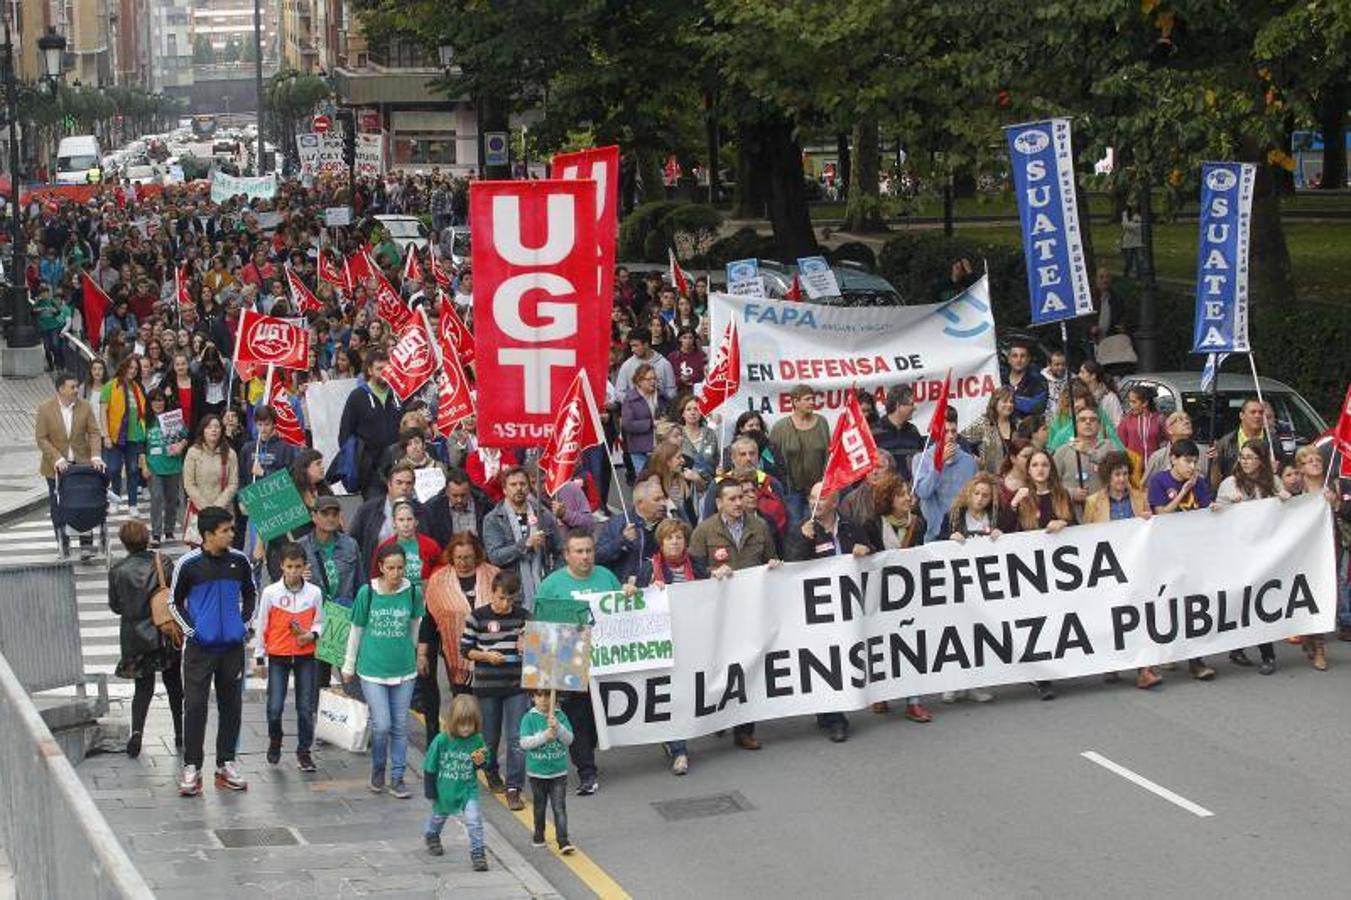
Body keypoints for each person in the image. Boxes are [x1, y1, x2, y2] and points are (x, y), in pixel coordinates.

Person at [534, 530, 638, 795]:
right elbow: (541, 629)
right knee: (577, 718)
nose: (585, 556)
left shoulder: (606, 576)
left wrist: (629, 593)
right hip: (570, 662)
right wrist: (543, 679)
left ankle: (586, 751)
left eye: (589, 551)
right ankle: (586, 771)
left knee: (595, 718)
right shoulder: (551, 585)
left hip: (604, 662)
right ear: (566, 555)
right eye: (578, 551)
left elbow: (624, 614)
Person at [688, 479, 782, 750]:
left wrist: (774, 565)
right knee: (720, 666)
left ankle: (744, 730)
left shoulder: (759, 526)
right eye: (731, 498)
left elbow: (770, 559)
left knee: (747, 667)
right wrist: (710, 573)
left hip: (750, 610)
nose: (738, 503)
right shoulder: (705, 531)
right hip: (718, 614)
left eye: (740, 497)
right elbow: (693, 568)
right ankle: (720, 716)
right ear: (718, 503)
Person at [171, 506, 256, 796]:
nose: (232, 535)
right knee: (194, 706)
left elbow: (250, 593)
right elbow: (175, 602)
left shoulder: (240, 561)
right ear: (208, 534)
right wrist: (194, 630)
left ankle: (226, 764)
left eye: (232, 529)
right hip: (199, 649)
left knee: (231, 705)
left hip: (231, 648)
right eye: (226, 531)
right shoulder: (189, 564)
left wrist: (242, 625)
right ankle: (192, 766)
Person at [788, 481, 873, 741]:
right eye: (812, 498)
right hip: (817, 608)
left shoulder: (851, 527)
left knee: (842, 657)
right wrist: (804, 541)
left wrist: (866, 550)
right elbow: (792, 568)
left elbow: (876, 554)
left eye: (822, 498)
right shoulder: (801, 530)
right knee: (825, 658)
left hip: (848, 606)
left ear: (835, 502)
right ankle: (835, 717)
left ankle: (829, 712)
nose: (816, 503)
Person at [342, 543, 425, 798]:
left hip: (404, 670)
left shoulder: (412, 592)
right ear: (380, 568)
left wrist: (416, 655)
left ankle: (398, 777)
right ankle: (379, 769)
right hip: (372, 670)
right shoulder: (367, 592)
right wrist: (348, 664)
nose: (396, 573)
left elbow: (415, 626)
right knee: (382, 725)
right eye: (390, 568)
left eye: (401, 568)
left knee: (400, 726)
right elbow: (356, 630)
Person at [108, 520, 182, 758]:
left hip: (134, 636)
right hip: (164, 631)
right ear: (146, 537)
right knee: (173, 684)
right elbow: (176, 593)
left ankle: (138, 731)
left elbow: (116, 606)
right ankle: (180, 732)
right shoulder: (163, 562)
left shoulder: (118, 570)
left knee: (143, 688)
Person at [1007, 450, 1076, 700]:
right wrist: (1014, 505)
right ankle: (1042, 677)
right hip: (1031, 571)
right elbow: (1005, 531)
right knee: (1037, 621)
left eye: (1044, 464)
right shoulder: (1022, 496)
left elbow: (1079, 530)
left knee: (1058, 619)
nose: (1039, 469)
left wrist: (1064, 524)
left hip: (1058, 570)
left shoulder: (1061, 495)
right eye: (1034, 465)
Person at [1147, 439, 1218, 681]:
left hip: (1193, 552)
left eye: (1194, 462)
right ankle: (1167, 650)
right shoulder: (1159, 481)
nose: (1191, 466)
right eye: (1187, 461)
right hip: (1167, 552)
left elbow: (1206, 509)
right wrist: (1184, 492)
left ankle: (1196, 660)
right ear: (1173, 459)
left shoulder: (1199, 482)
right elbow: (1162, 514)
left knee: (1192, 604)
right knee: (1169, 603)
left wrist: (1216, 508)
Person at [1210, 440, 1282, 675]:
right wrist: (1226, 506)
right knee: (1242, 600)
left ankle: (1267, 655)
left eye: (1251, 457)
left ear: (1261, 460)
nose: (1245, 461)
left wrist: (1284, 497)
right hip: (1237, 552)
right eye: (1242, 457)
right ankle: (1238, 648)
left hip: (1263, 552)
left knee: (1261, 602)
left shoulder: (1273, 482)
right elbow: (1216, 515)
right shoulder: (1229, 484)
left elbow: (1286, 514)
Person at [461, 570, 531, 811]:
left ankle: (514, 787)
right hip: (487, 685)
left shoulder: (524, 617)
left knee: (516, 739)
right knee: (489, 738)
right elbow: (466, 649)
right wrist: (486, 656)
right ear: (492, 593)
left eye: (510, 600)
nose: (505, 605)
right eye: (501, 598)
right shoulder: (477, 617)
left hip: (516, 686)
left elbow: (538, 646)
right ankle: (491, 772)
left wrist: (528, 643)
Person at [642, 518, 705, 774]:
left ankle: (674, 740)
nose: (675, 542)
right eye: (669, 538)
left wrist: (722, 575)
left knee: (688, 695)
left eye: (679, 537)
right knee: (672, 696)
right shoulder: (649, 569)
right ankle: (679, 750)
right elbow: (631, 594)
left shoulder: (697, 566)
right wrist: (646, 591)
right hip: (663, 644)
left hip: (693, 641)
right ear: (661, 542)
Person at [419, 534, 497, 740]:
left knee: (489, 709)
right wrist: (422, 654)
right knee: (464, 707)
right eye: (459, 557)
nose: (463, 562)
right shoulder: (439, 581)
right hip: (458, 659)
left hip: (493, 654)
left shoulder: (493, 575)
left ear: (477, 555)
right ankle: (465, 748)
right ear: (451, 556)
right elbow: (429, 620)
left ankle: (487, 755)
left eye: (469, 557)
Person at [256, 543, 324, 772]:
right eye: (289, 567)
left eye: (298, 566)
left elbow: (320, 622)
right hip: (278, 656)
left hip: (305, 656)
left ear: (305, 566)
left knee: (305, 708)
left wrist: (311, 634)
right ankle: (275, 739)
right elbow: (262, 625)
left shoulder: (314, 593)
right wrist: (259, 657)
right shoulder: (270, 593)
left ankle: (304, 751)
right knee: (274, 707)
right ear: (281, 567)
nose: (294, 571)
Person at [35, 371, 106, 559]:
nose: (76, 390)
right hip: (55, 467)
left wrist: (96, 456)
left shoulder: (85, 406)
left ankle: (86, 545)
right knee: (58, 505)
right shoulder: (45, 409)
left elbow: (94, 432)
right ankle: (63, 541)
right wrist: (57, 458)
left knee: (85, 503)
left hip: (81, 464)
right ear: (61, 389)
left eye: (77, 387)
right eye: (72, 387)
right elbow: (41, 438)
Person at [299, 497, 361, 698]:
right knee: (317, 682)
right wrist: (297, 578)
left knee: (351, 681)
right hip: (315, 622)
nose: (331, 518)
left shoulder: (350, 546)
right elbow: (286, 588)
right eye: (325, 514)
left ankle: (353, 727)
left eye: (335, 514)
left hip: (344, 620)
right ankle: (317, 722)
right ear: (314, 516)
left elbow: (360, 584)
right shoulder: (301, 548)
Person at [422, 694, 490, 871]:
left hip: (468, 788)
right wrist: (430, 790)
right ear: (452, 721)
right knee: (439, 816)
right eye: (462, 724)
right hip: (445, 788)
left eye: (470, 724)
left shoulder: (477, 740)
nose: (466, 729)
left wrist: (481, 761)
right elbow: (430, 765)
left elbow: (484, 762)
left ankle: (477, 853)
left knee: (474, 820)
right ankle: (432, 834)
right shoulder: (442, 740)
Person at [482, 466, 562, 611]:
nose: (519, 488)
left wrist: (553, 576)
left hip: (545, 588)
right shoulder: (493, 519)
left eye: (523, 484)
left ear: (529, 487)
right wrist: (524, 544)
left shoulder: (543, 514)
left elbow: (560, 550)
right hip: (513, 594)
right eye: (513, 485)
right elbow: (495, 557)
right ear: (505, 490)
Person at [338, 350, 404, 498]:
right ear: (369, 370)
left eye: (387, 369)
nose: (384, 373)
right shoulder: (357, 396)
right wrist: (360, 463)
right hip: (371, 472)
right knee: (376, 515)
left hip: (399, 468)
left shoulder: (398, 394)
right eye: (379, 369)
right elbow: (345, 434)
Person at [520, 689, 576, 855]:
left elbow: (569, 739)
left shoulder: (560, 716)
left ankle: (563, 840)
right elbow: (524, 743)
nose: (543, 700)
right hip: (537, 773)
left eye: (547, 695)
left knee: (559, 807)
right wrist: (545, 736)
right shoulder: (529, 718)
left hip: (558, 772)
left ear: (555, 698)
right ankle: (539, 835)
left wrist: (558, 728)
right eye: (539, 695)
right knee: (540, 806)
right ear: (533, 698)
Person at [348, 462, 429, 573]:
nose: (404, 487)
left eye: (408, 483)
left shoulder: (422, 512)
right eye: (399, 483)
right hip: (377, 573)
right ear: (389, 484)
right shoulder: (368, 510)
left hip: (412, 574)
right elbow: (353, 542)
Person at [769, 384, 831, 527]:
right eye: (807, 399)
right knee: (796, 529)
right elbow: (770, 458)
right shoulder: (780, 427)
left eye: (813, 399)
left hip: (818, 490)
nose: (812, 402)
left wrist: (826, 484)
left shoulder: (822, 423)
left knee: (818, 527)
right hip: (791, 492)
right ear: (795, 402)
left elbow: (829, 453)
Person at [913, 410, 980, 542]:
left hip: (964, 534)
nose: (950, 436)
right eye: (945, 431)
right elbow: (923, 492)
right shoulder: (921, 459)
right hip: (933, 536)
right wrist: (939, 464)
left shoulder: (969, 461)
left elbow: (975, 498)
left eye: (953, 431)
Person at [181, 415, 240, 547]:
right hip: (200, 512)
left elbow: (233, 483)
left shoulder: (230, 454)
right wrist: (206, 508)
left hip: (223, 512)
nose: (213, 430)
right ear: (203, 430)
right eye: (209, 427)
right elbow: (189, 483)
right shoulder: (193, 453)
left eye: (217, 427)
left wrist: (217, 507)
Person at [101, 355, 149, 514]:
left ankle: (133, 504)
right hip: (115, 436)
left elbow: (142, 413)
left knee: (133, 470)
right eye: (131, 368)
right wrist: (106, 435)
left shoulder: (137, 387)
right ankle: (114, 499)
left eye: (136, 369)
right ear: (123, 367)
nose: (133, 371)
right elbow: (103, 413)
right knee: (114, 469)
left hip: (133, 437)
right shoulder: (110, 386)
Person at [142, 389, 187, 547]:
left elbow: (185, 437)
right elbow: (140, 446)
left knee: (172, 500)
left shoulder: (173, 418)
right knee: (156, 499)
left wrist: (181, 446)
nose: (158, 403)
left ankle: (169, 530)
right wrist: (144, 466)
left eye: (161, 400)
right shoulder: (144, 420)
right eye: (154, 400)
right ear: (150, 403)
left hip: (173, 465)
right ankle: (155, 533)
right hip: (154, 466)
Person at [1053, 407, 1114, 522]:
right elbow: (1051, 484)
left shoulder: (1109, 447)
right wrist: (1071, 493)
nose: (1088, 422)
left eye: (1093, 419)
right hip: (1072, 515)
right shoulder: (1062, 451)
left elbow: (1117, 470)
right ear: (1075, 425)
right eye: (1082, 419)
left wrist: (1090, 452)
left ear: (1099, 425)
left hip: (1104, 512)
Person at [372, 499, 442, 587]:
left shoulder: (431, 545)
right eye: (401, 520)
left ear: (416, 522)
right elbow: (376, 577)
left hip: (424, 594)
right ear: (394, 523)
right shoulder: (384, 547)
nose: (406, 524)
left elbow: (441, 571)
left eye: (409, 519)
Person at [1209, 397, 1267, 489]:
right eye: (1253, 412)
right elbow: (1214, 483)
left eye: (1261, 412)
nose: (1257, 416)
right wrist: (1215, 462)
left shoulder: (1272, 441)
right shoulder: (1225, 443)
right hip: (1234, 494)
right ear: (1241, 416)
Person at [620, 363, 668, 473]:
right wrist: (651, 423)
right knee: (645, 482)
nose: (653, 382)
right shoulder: (630, 399)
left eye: (655, 379)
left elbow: (669, 414)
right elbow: (627, 424)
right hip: (639, 448)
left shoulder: (661, 396)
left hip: (660, 447)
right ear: (639, 381)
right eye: (649, 379)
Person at [871, 385, 925, 479]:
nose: (914, 408)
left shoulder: (913, 431)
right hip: (884, 491)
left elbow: (921, 462)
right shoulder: (873, 432)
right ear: (898, 405)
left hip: (908, 491)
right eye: (911, 404)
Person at [426, 468, 491, 545]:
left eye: (463, 495)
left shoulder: (484, 505)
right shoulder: (434, 509)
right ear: (447, 492)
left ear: (470, 490)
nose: (459, 500)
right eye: (455, 496)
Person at [960, 387, 1017, 475]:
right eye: (1005, 401)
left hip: (1014, 480)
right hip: (990, 479)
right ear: (995, 403)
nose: (1009, 405)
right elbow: (961, 440)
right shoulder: (983, 424)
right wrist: (974, 459)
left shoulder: (1017, 425)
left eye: (1011, 402)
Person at [1116, 385, 1168, 477]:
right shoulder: (1126, 420)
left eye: (1133, 402)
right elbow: (1120, 445)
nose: (1130, 405)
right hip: (1133, 470)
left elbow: (1167, 442)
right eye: (1129, 402)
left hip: (1155, 469)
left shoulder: (1159, 419)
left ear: (1144, 403)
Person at [614, 331, 677, 399]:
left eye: (635, 345)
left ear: (646, 344)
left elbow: (672, 391)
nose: (632, 350)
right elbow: (619, 392)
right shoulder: (626, 366)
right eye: (631, 346)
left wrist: (660, 399)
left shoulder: (664, 364)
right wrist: (633, 402)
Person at [1003, 340, 1047, 419]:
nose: (1019, 360)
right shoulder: (1001, 378)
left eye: (1023, 356)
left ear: (1028, 359)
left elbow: (1039, 406)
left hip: (1028, 427)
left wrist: (1011, 399)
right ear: (1009, 359)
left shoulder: (1038, 380)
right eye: (1015, 356)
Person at [1077, 361, 1123, 427]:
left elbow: (1118, 422)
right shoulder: (1081, 396)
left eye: (1082, 372)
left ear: (1093, 376)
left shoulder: (1109, 397)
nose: (1079, 375)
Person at [1040, 349, 1069, 414]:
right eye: (1057, 364)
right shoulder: (1040, 379)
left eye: (1063, 364)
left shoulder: (1072, 379)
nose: (1060, 367)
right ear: (1049, 364)